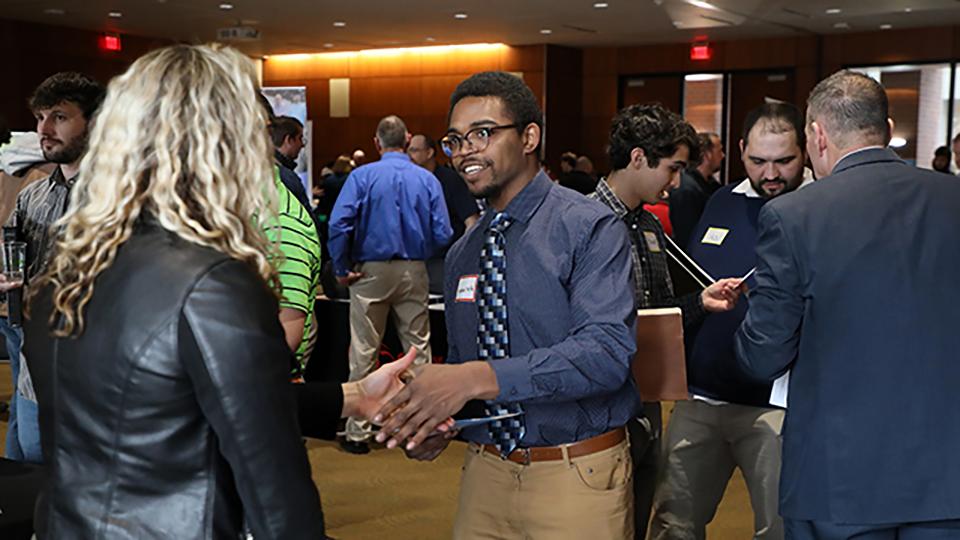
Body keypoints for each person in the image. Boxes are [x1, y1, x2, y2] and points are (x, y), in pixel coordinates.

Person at [22, 43, 417, 540]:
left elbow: (167, 409)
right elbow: (277, 499)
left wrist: (351, 397)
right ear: (227, 146)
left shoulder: (69, 264)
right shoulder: (213, 281)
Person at [375, 71, 640, 538]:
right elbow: (466, 367)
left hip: (575, 476)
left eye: (483, 133)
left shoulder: (588, 227)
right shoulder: (463, 252)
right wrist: (439, 422)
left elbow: (605, 355)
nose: (465, 152)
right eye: (455, 140)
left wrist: (473, 378)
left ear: (530, 137)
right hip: (485, 475)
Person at [735, 70, 960, 539]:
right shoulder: (952, 198)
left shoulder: (794, 215)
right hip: (946, 471)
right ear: (887, 126)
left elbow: (763, 355)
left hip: (839, 475)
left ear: (816, 134)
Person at [651, 103, 811, 540]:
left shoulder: (818, 209)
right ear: (741, 151)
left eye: (784, 160)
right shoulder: (721, 200)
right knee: (673, 523)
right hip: (701, 398)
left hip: (775, 408)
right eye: (758, 161)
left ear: (808, 150)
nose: (771, 173)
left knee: (778, 529)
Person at [588, 103, 743, 540]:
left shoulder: (651, 227)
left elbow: (661, 307)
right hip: (600, 403)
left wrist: (700, 302)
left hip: (647, 398)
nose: (675, 183)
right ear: (638, 158)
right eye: (671, 169)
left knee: (640, 507)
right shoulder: (580, 224)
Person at [328, 115, 452, 454]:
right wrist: (420, 252)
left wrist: (342, 266)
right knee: (418, 351)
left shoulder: (362, 175)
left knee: (364, 350)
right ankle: (422, 427)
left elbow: (339, 224)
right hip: (414, 269)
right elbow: (443, 232)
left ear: (376, 142)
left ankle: (358, 433)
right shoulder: (426, 179)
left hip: (369, 271)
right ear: (408, 138)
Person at [0, 71, 105, 464]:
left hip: (95, 375)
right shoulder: (33, 196)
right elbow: (14, 266)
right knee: (35, 472)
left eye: (59, 117)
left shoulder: (123, 199)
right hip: (35, 370)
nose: (43, 129)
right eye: (40, 117)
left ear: (93, 123)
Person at [407, 132, 480, 293]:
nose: (409, 156)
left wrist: (462, 256)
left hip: (444, 260)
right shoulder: (409, 181)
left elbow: (472, 221)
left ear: (429, 153)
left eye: (414, 150)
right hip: (415, 260)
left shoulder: (450, 180)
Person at [669, 132, 724, 249]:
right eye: (719, 151)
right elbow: (686, 237)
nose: (723, 155)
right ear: (708, 154)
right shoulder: (687, 189)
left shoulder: (712, 186)